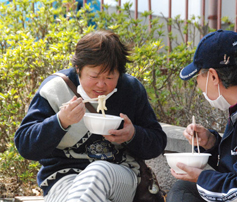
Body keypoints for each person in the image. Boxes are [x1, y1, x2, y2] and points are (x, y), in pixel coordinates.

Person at [14, 30, 167, 202]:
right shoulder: (56, 89)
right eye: (94, 76)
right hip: (63, 179)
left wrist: (132, 135)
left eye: (110, 77)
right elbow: (25, 145)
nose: (101, 85)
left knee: (98, 172)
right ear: (78, 69)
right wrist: (60, 122)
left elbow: (158, 142)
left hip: (118, 176)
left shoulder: (130, 89)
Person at [166, 29, 237, 202]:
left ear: (213, 76)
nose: (198, 85)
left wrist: (201, 177)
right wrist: (211, 144)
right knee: (184, 190)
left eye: (198, 76)